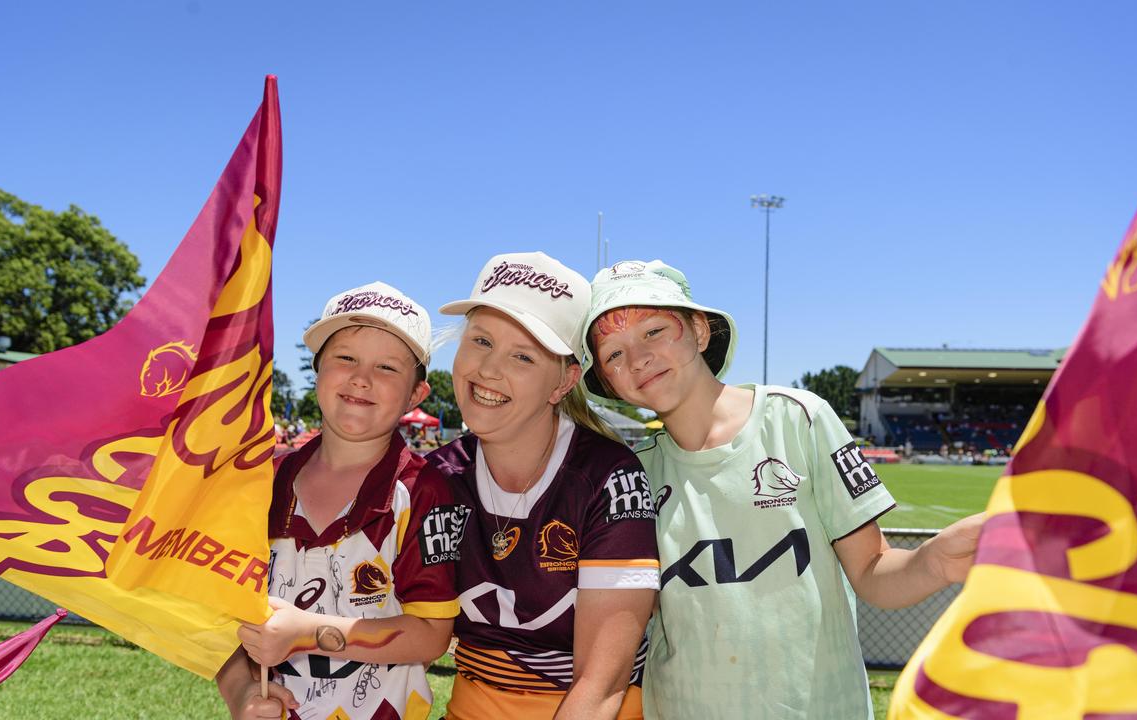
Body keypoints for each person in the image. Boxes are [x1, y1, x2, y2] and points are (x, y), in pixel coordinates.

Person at [580, 260, 984, 720]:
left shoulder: (798, 419)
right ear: (606, 380)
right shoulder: (631, 475)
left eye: (654, 331)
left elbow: (874, 573)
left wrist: (933, 561)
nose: (637, 359)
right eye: (613, 354)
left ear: (699, 330)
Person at [427, 251, 659, 719]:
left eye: (522, 356)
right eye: (481, 340)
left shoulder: (609, 476)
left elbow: (601, 683)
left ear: (564, 381)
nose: (489, 370)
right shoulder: (435, 477)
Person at [216, 282, 460, 720]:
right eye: (345, 357)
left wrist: (307, 633)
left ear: (415, 395)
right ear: (317, 368)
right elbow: (219, 620)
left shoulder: (424, 491)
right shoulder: (262, 480)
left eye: (387, 367)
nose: (361, 378)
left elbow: (430, 635)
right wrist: (241, 694)